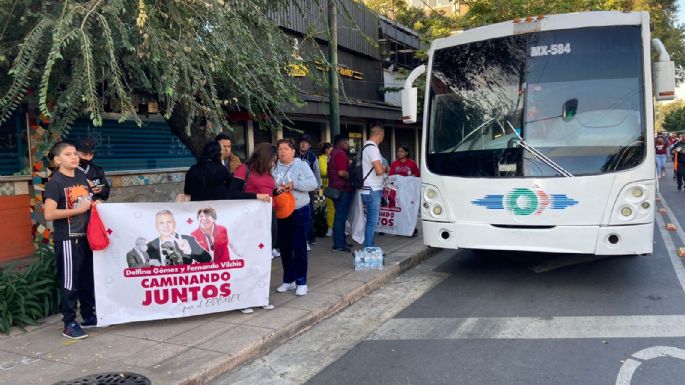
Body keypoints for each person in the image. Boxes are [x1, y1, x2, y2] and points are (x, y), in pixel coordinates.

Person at [44, 142, 97, 339]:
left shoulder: (81, 176)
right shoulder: (55, 182)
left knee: (86, 280)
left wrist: (94, 203)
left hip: (86, 237)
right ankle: (69, 323)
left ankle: (88, 316)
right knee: (69, 282)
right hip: (67, 239)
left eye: (75, 154)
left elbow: (89, 198)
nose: (74, 157)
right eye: (68, 154)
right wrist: (79, 210)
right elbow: (49, 214)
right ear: (58, 160)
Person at [272, 138, 318, 296]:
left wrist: (294, 185)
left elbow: (314, 184)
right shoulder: (274, 167)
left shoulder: (302, 165)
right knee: (284, 247)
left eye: (285, 148)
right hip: (281, 211)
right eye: (280, 149)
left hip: (299, 210)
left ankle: (301, 281)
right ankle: (288, 280)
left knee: (299, 247)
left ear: (293, 151)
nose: (282, 152)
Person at [229, 142, 278, 257]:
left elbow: (267, 191)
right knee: (254, 252)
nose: (273, 163)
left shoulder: (266, 171)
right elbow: (232, 193)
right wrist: (256, 196)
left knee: (268, 248)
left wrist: (277, 191)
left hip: (270, 213)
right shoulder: (244, 169)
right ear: (264, 157)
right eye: (272, 160)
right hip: (252, 216)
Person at [147, 210, 212, 265]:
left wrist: (188, 250)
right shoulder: (150, 246)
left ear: (174, 224)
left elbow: (207, 259)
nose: (166, 226)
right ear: (156, 226)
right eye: (161, 223)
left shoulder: (188, 240)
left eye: (169, 222)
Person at [360, 123, 388, 248]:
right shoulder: (373, 148)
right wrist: (386, 168)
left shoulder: (364, 147)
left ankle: (368, 245)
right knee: (372, 221)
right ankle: (369, 247)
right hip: (373, 189)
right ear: (379, 134)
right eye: (382, 136)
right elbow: (378, 170)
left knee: (369, 220)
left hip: (365, 189)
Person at [328, 135, 354, 252]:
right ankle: (338, 244)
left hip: (336, 188)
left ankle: (342, 241)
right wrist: (352, 176)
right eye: (346, 141)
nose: (348, 144)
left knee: (340, 216)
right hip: (342, 189)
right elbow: (342, 172)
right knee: (340, 217)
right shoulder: (340, 154)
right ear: (341, 142)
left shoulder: (333, 152)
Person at [297, 134, 322, 248]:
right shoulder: (294, 155)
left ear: (309, 145)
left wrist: (317, 187)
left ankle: (309, 237)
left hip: (308, 189)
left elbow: (317, 173)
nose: (303, 144)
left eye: (306, 142)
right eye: (301, 142)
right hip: (295, 188)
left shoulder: (312, 157)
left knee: (308, 212)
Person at [318, 142, 335, 237]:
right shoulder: (321, 159)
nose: (332, 151)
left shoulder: (332, 158)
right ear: (325, 150)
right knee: (331, 208)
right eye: (330, 149)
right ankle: (330, 227)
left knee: (338, 208)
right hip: (328, 187)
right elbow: (324, 171)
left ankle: (337, 227)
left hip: (336, 186)